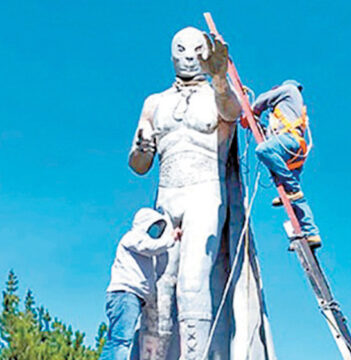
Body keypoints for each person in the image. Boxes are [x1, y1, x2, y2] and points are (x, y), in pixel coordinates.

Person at [128, 27, 276, 360]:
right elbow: (139, 165)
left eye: (196, 49)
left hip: (204, 193)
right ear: (171, 55)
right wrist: (141, 148)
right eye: (180, 49)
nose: (188, 56)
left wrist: (221, 78)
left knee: (193, 282)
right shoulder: (154, 103)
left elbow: (232, 113)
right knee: (159, 291)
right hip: (166, 197)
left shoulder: (218, 94)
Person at [99, 207, 182, 360]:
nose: (155, 231)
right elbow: (150, 247)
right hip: (125, 295)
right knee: (121, 341)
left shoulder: (143, 250)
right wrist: (172, 239)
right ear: (144, 224)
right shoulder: (132, 238)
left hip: (129, 297)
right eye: (153, 226)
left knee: (116, 340)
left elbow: (159, 264)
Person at [252, 80, 321, 248]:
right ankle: (311, 233)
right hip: (295, 151)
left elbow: (263, 99)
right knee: (296, 196)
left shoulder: (289, 89)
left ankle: (291, 188)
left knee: (263, 151)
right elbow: (272, 135)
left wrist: (254, 111)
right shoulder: (289, 109)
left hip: (290, 142)